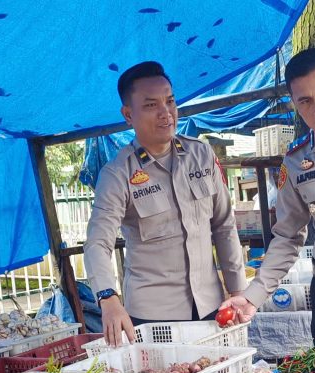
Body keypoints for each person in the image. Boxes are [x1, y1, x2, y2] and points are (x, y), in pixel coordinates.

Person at [84, 61, 245, 346]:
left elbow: (223, 225)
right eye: (150, 105)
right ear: (128, 115)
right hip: (153, 318)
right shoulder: (118, 173)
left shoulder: (201, 155)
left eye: (170, 101)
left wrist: (237, 290)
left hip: (211, 307)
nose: (165, 113)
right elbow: (98, 242)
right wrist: (107, 297)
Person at [221, 48, 315, 345]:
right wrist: (253, 296)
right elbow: (287, 236)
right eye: (306, 101)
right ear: (295, 104)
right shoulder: (296, 160)